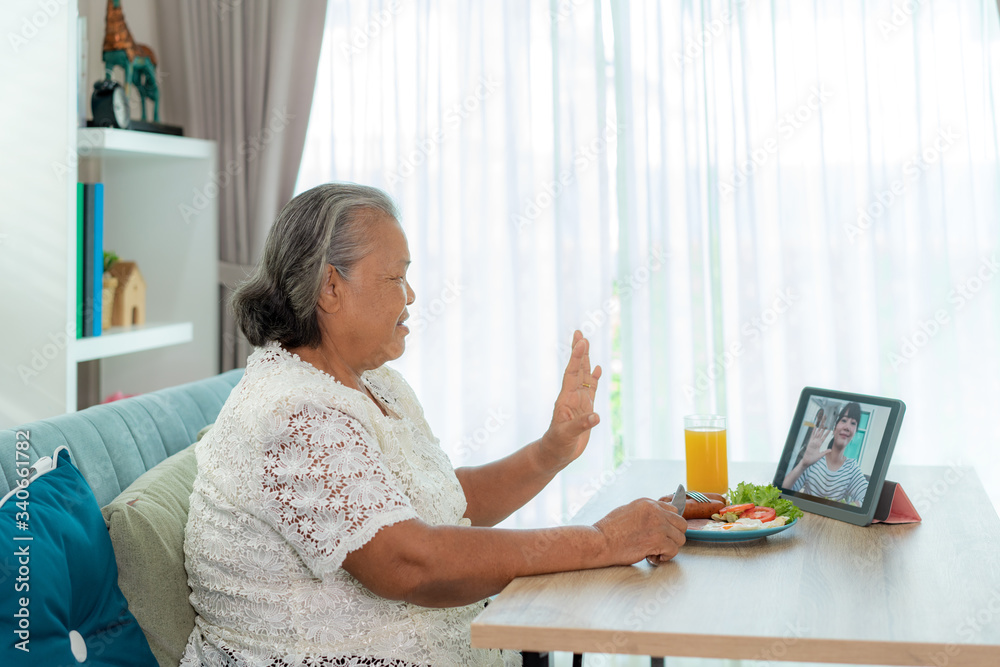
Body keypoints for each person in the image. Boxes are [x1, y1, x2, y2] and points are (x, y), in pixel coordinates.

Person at [179, 183, 687, 667]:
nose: (412, 295)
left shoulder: (375, 384)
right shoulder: (291, 413)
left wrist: (550, 451)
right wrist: (600, 540)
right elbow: (409, 562)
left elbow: (441, 499)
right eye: (396, 277)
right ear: (331, 287)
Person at [782, 402, 868, 506]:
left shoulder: (851, 468)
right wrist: (803, 464)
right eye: (844, 420)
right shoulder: (814, 459)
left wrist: (847, 507)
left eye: (853, 423)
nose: (847, 427)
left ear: (854, 433)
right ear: (835, 427)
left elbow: (868, 499)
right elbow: (783, 491)